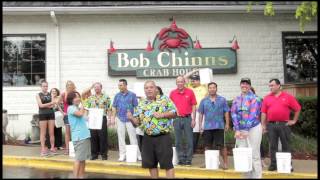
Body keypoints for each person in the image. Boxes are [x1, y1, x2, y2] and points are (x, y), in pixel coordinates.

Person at [128, 80, 176, 178]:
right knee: (151, 164)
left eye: (151, 87)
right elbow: (137, 123)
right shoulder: (141, 103)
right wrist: (131, 118)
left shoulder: (164, 99)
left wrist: (162, 114)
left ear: (155, 89)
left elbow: (174, 113)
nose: (149, 89)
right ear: (144, 90)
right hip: (147, 138)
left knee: (167, 164)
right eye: (146, 88)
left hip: (163, 137)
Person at [261, 78, 301, 172]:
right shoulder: (267, 98)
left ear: (279, 86)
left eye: (272, 85)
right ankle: (273, 164)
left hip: (284, 124)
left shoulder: (288, 97)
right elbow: (263, 113)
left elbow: (298, 108)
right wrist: (263, 125)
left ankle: (288, 165)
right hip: (271, 125)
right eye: (269, 85)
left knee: (286, 145)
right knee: (272, 146)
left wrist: (294, 120)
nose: (270, 87)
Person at [231, 78, 262, 178]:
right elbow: (233, 114)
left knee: (254, 154)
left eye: (247, 84)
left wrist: (247, 130)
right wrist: (237, 129)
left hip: (253, 128)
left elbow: (253, 114)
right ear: (240, 85)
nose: (244, 85)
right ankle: (246, 177)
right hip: (240, 130)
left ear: (250, 86)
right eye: (242, 83)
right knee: (243, 155)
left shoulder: (255, 98)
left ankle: (257, 176)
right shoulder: (236, 99)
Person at [198, 82, 230, 169]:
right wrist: (200, 125)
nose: (212, 89)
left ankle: (225, 163)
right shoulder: (204, 100)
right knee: (207, 146)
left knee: (222, 146)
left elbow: (226, 112)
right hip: (207, 127)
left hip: (219, 126)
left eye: (214, 87)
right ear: (208, 89)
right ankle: (207, 162)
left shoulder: (222, 99)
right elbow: (201, 113)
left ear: (216, 88)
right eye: (210, 88)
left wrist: (227, 123)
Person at [169, 76, 197, 166]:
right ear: (176, 83)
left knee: (189, 140)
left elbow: (194, 106)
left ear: (184, 82)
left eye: (181, 81)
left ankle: (188, 159)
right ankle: (181, 158)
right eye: (178, 82)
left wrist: (193, 119)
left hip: (188, 118)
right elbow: (170, 106)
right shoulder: (172, 93)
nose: (180, 83)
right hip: (176, 119)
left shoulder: (190, 92)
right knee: (178, 141)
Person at [110, 79, 140, 161]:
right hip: (120, 118)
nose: (119, 87)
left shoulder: (132, 95)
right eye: (118, 85)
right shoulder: (117, 95)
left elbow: (136, 107)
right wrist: (113, 117)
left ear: (125, 85)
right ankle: (122, 154)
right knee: (121, 137)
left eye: (121, 85)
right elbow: (114, 107)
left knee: (133, 137)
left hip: (130, 119)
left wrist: (135, 118)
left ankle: (137, 154)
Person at [83, 82, 111, 160]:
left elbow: (109, 109)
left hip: (102, 118)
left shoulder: (106, 97)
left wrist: (109, 118)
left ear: (101, 88)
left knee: (103, 137)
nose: (96, 89)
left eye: (98, 87)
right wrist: (85, 116)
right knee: (93, 136)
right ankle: (94, 154)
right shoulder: (90, 97)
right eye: (95, 87)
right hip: (92, 119)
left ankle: (104, 154)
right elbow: (86, 108)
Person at [67, 91, 91, 178]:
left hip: (84, 136)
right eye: (76, 97)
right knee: (78, 159)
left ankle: (81, 176)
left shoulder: (76, 108)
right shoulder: (71, 108)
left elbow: (85, 117)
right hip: (79, 137)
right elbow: (81, 114)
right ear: (71, 99)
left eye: (78, 97)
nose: (78, 99)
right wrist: (83, 102)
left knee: (82, 159)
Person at [184, 69, 208, 153]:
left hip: (204, 112)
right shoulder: (189, 87)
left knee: (205, 131)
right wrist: (194, 71)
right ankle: (192, 151)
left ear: (199, 81)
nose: (192, 82)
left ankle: (208, 150)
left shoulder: (204, 87)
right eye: (192, 80)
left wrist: (201, 72)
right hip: (193, 112)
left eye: (194, 80)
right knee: (194, 132)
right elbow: (185, 77)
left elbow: (208, 80)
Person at [35, 80, 57, 156]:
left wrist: (47, 105)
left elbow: (53, 105)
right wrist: (50, 103)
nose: (45, 87)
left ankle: (52, 148)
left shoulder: (51, 94)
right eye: (44, 86)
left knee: (51, 132)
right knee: (43, 133)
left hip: (51, 114)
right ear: (41, 87)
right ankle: (43, 149)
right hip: (42, 114)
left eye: (46, 86)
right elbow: (40, 105)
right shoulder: (38, 95)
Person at [60, 80, 76, 155]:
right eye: (68, 85)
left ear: (72, 85)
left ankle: (74, 149)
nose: (69, 86)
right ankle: (67, 149)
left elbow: (79, 102)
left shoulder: (75, 93)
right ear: (66, 86)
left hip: (74, 114)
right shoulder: (63, 94)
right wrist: (62, 112)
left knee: (74, 132)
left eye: (71, 84)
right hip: (67, 115)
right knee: (67, 133)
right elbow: (57, 103)